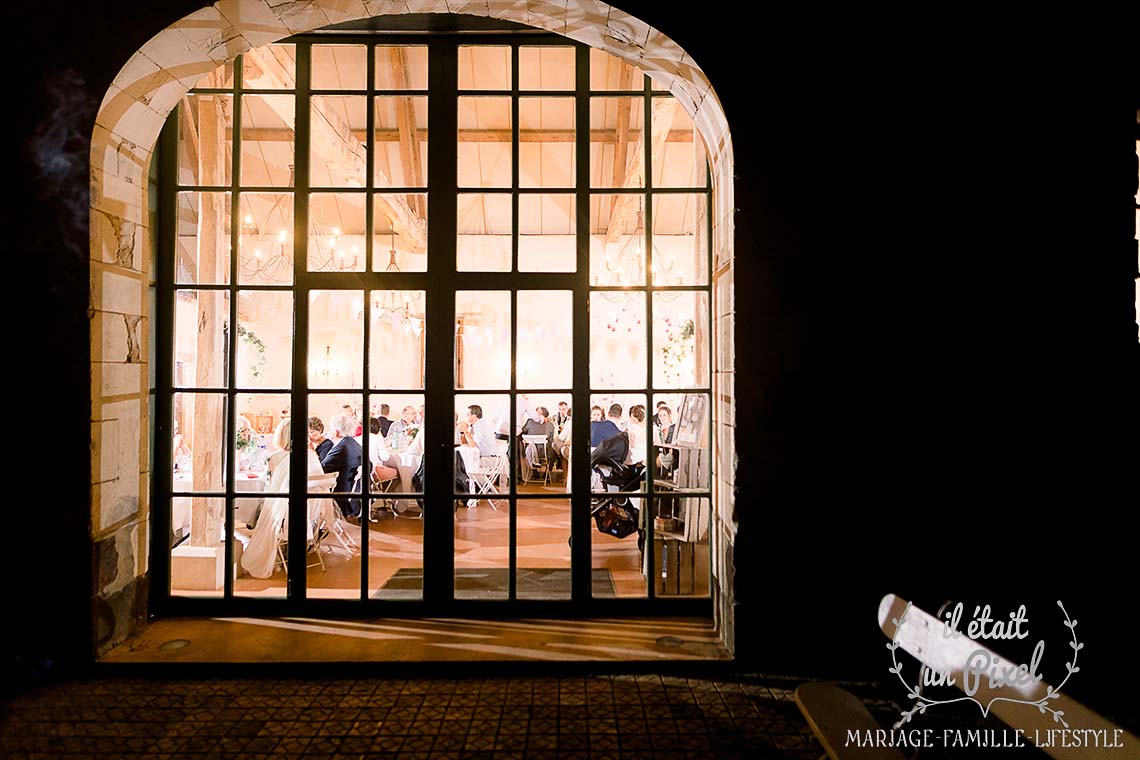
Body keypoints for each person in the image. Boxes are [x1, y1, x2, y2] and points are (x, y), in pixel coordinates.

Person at [240, 419, 321, 579]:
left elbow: (270, 486)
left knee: (260, 508)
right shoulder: (311, 455)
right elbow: (320, 481)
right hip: (312, 512)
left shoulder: (274, 457)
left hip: (285, 511)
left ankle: (276, 544)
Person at [320, 413, 362, 521]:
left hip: (338, 492)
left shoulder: (341, 448)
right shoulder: (354, 444)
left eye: (330, 429)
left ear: (335, 432)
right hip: (351, 490)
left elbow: (321, 469)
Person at [519, 406, 555, 481]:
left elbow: (522, 432)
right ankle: (547, 473)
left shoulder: (529, 422)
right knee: (554, 449)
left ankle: (534, 471)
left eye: (537, 412)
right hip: (545, 453)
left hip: (529, 453)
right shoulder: (550, 424)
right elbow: (551, 438)